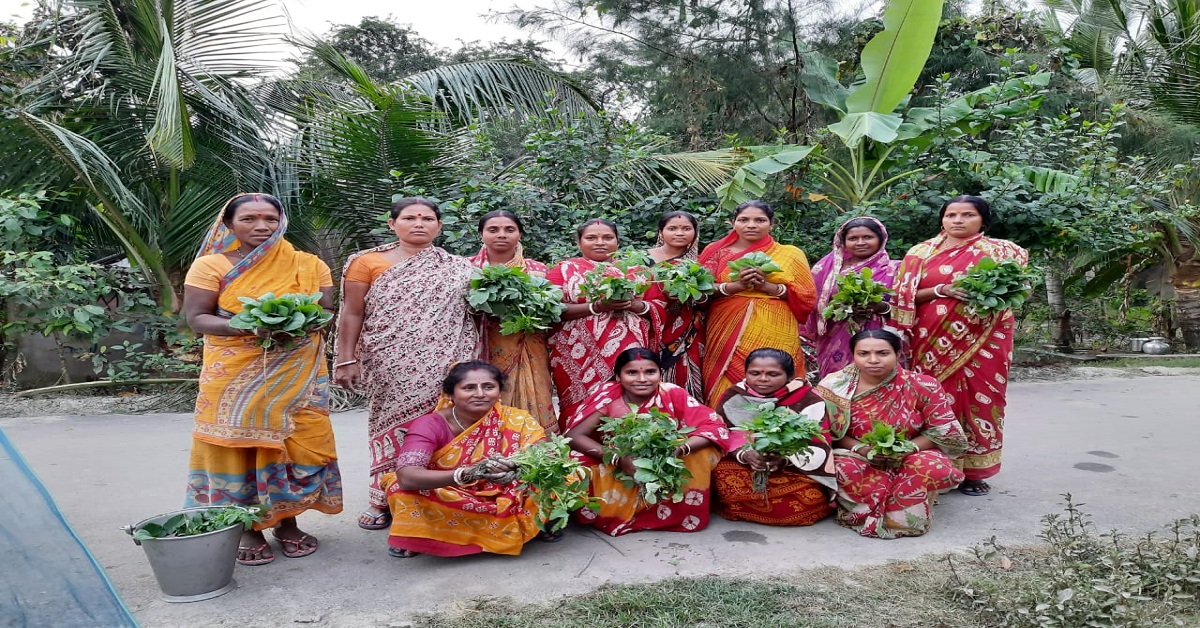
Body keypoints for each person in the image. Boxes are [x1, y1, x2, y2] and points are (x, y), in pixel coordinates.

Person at [183, 193, 342, 566]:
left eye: (270, 219)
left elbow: (326, 310)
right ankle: (247, 528)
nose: (261, 226)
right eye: (249, 219)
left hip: (299, 372)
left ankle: (287, 522)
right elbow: (197, 318)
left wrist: (300, 323)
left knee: (299, 444)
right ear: (229, 224)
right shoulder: (210, 265)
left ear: (281, 222)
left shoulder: (309, 264)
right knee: (238, 447)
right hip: (234, 374)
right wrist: (251, 327)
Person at [334, 197, 479, 531]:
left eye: (427, 219)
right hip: (389, 361)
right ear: (392, 223)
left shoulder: (459, 266)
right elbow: (351, 313)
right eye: (410, 218)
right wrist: (346, 359)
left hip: (448, 360)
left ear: (439, 226)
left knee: (446, 425)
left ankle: (441, 495)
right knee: (390, 426)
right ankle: (384, 496)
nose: (418, 224)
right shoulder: (366, 262)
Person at [892, 196, 1029, 496]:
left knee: (982, 401)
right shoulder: (919, 253)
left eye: (968, 215)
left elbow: (1015, 292)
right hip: (930, 340)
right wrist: (943, 290)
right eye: (951, 214)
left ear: (983, 220)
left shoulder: (1002, 252)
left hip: (984, 341)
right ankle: (931, 466)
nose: (958, 220)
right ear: (942, 219)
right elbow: (902, 297)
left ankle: (974, 472)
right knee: (932, 400)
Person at [381, 361, 547, 557]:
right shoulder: (430, 424)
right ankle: (423, 535)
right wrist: (468, 474)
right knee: (398, 488)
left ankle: (435, 535)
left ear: (499, 391)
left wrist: (516, 466)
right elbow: (407, 476)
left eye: (488, 387)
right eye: (469, 388)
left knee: (563, 469)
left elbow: (544, 452)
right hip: (452, 492)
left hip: (507, 490)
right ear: (451, 394)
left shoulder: (517, 419)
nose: (480, 394)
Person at [564, 348, 736, 536]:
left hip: (667, 461)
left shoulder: (672, 393)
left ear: (660, 374)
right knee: (574, 463)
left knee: (703, 449)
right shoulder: (608, 395)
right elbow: (575, 436)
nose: (642, 379)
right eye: (632, 373)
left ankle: (676, 512)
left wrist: (679, 449)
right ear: (618, 376)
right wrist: (619, 459)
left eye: (650, 372)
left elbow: (714, 426)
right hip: (617, 458)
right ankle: (617, 511)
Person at [816, 329, 968, 539]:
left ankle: (903, 509)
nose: (873, 360)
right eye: (863, 353)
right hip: (855, 454)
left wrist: (908, 448)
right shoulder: (833, 386)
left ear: (898, 354)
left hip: (911, 452)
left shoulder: (922, 385)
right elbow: (825, 432)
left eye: (882, 353)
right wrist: (861, 449)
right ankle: (861, 510)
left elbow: (942, 429)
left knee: (935, 467)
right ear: (853, 355)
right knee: (841, 469)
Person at [699, 200, 817, 407]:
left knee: (777, 369)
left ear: (771, 224)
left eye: (760, 220)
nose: (751, 225)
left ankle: (783, 421)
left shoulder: (790, 253)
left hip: (777, 326)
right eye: (743, 220)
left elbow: (806, 295)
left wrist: (767, 287)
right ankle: (724, 423)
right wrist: (735, 286)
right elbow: (701, 290)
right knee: (726, 377)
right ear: (732, 223)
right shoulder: (716, 251)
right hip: (726, 324)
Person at [547, 219, 662, 427]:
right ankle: (578, 441)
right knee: (577, 407)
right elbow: (552, 310)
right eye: (591, 238)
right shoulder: (563, 270)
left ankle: (627, 440)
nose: (600, 242)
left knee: (627, 397)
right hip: (576, 354)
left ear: (617, 241)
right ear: (578, 242)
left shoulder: (636, 271)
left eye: (607, 237)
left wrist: (634, 305)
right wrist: (597, 307)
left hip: (627, 349)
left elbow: (658, 307)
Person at [711, 348, 835, 526]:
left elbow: (816, 441)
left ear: (789, 376)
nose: (762, 379)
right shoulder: (735, 395)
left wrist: (782, 459)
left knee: (804, 502)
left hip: (793, 467)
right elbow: (724, 433)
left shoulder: (808, 398)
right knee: (720, 472)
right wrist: (745, 454)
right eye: (755, 373)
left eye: (773, 374)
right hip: (747, 462)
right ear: (746, 373)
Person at [468, 210, 556, 433]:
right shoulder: (467, 269)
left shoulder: (538, 270)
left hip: (529, 345)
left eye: (509, 229)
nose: (501, 235)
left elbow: (552, 311)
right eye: (493, 230)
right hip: (481, 346)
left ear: (520, 234)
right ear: (481, 234)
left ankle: (535, 444)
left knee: (536, 393)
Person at [805, 216, 900, 378]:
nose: (860, 242)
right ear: (843, 242)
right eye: (853, 238)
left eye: (868, 237)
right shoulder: (827, 268)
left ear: (881, 239)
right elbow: (810, 300)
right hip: (835, 335)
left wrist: (880, 307)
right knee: (836, 382)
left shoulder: (895, 269)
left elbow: (907, 307)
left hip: (879, 337)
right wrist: (841, 307)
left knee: (876, 381)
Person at [643, 211, 706, 399]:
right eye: (672, 228)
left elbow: (706, 301)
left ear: (695, 232)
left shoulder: (700, 263)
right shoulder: (643, 259)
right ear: (661, 232)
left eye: (686, 228)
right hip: (650, 325)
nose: (679, 233)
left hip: (687, 330)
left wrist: (691, 294)